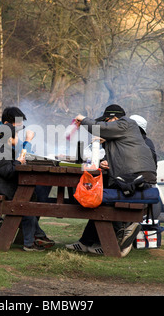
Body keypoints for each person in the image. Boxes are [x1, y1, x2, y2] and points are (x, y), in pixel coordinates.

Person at [65, 104, 157, 257]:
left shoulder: (126, 123)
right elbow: (118, 156)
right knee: (100, 196)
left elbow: (98, 127)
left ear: (114, 118)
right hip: (134, 178)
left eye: (107, 121)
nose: (107, 125)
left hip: (136, 179)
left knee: (97, 198)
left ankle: (119, 234)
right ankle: (88, 241)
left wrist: (81, 118)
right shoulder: (123, 135)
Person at [0, 123, 54, 251]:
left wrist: (17, 161)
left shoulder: (2, 147)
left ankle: (37, 235)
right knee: (26, 205)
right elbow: (6, 171)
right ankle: (30, 243)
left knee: (28, 200)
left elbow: (4, 167)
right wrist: (19, 162)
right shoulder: (2, 148)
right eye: (17, 135)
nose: (18, 138)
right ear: (10, 138)